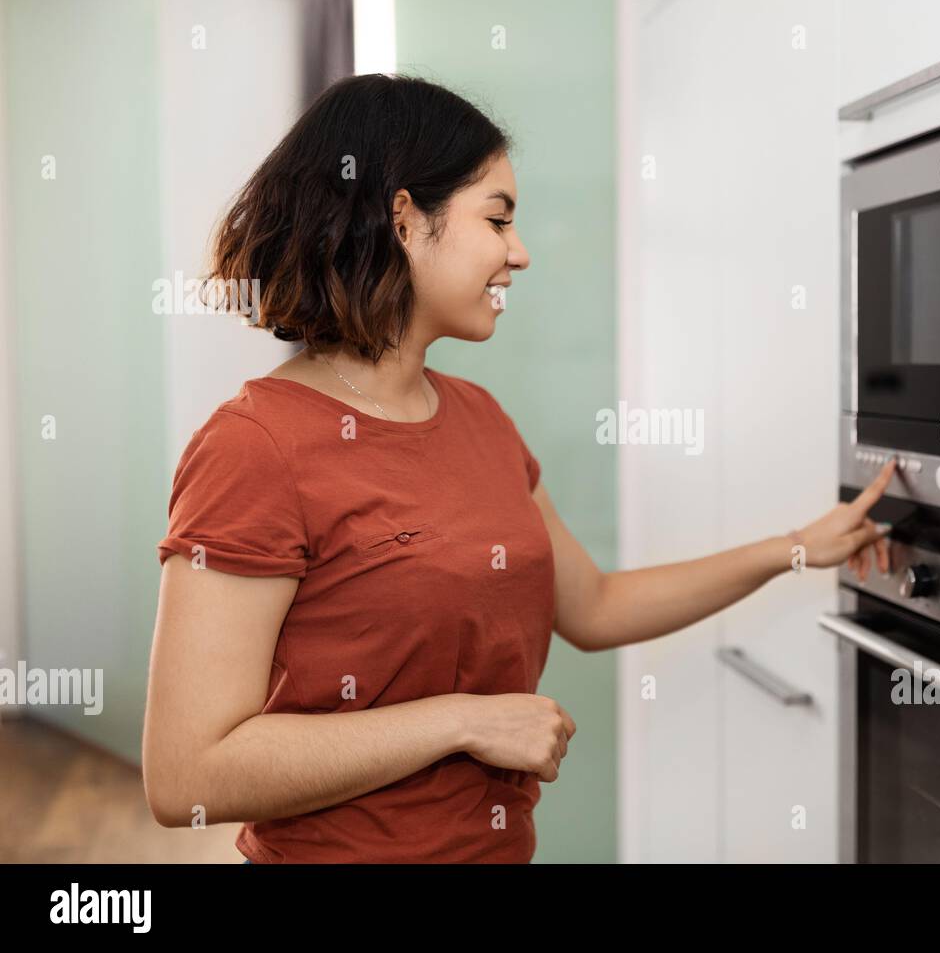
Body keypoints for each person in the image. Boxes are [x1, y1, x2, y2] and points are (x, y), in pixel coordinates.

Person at [142, 73, 896, 864]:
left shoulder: (480, 418)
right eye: (498, 219)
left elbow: (595, 606)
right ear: (404, 220)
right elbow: (186, 775)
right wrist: (465, 721)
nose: (520, 253)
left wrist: (798, 547)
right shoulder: (254, 447)